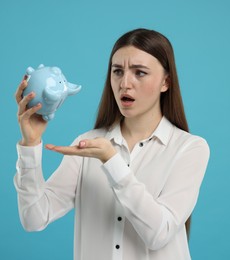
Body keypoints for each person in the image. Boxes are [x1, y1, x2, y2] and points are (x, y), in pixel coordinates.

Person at [14, 28, 210, 260]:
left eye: (140, 73)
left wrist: (112, 162)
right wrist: (31, 144)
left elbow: (160, 233)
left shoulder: (190, 148)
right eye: (117, 71)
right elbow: (34, 218)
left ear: (165, 82)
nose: (125, 83)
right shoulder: (86, 143)